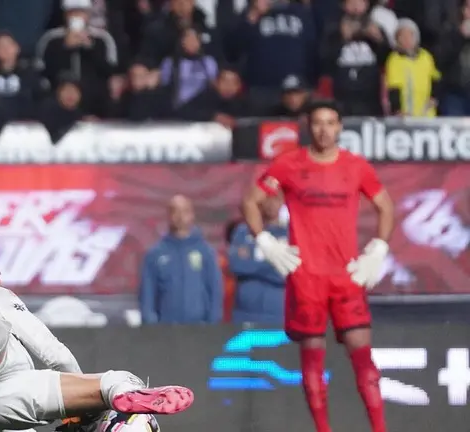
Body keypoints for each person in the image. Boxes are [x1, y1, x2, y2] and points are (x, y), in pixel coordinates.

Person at [0, 266, 194, 431]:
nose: (7, 288)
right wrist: (83, 406)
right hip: (11, 390)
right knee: (116, 381)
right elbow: (53, 352)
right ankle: (117, 402)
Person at [241, 99, 394, 432]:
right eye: (318, 122)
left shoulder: (356, 167)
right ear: (309, 127)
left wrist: (379, 248)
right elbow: (251, 201)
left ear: (340, 127)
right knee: (312, 362)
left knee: (364, 359)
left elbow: (385, 205)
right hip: (306, 277)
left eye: (331, 122)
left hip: (346, 275)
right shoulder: (288, 165)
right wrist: (265, 241)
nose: (325, 129)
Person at [139, 194, 224, 324]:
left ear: (192, 215)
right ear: (168, 215)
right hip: (166, 331)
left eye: (184, 211)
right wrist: (153, 328)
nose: (179, 216)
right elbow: (147, 295)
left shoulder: (206, 252)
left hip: (200, 329)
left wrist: (212, 324)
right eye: (175, 211)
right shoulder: (155, 254)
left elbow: (215, 290)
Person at [228, 195, 287, 324]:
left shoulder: (290, 234)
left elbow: (288, 272)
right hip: (245, 314)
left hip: (279, 314)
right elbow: (236, 265)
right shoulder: (242, 232)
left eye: (275, 199)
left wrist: (253, 267)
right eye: (267, 198)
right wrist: (273, 265)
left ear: (283, 201)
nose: (271, 203)